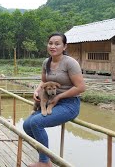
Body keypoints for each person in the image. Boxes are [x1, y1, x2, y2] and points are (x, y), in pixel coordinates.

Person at [23, 32, 86, 167]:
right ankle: (46, 156)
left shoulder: (70, 63)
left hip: (68, 104)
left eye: (57, 44)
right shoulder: (46, 62)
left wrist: (59, 96)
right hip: (50, 101)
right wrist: (37, 90)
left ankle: (44, 162)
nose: (53, 46)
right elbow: (43, 81)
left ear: (64, 47)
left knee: (36, 122)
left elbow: (81, 87)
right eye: (50, 43)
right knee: (26, 125)